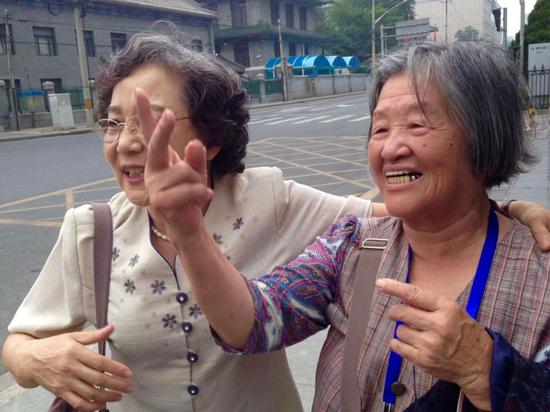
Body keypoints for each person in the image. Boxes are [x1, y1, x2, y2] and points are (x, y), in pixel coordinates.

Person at [1, 32, 548, 411]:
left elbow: (425, 208)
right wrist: (190, 233)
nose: (390, 147)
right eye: (379, 129)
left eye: (418, 124)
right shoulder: (352, 248)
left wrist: (490, 367)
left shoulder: (540, 270)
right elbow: (258, 320)